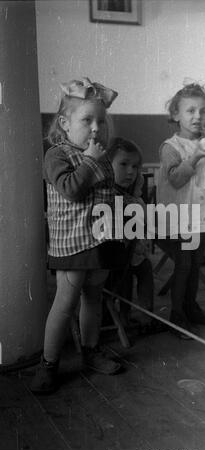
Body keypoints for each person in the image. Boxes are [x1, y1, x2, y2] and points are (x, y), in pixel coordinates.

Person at [30, 77, 123, 394]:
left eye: (101, 121)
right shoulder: (57, 155)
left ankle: (91, 351)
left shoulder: (100, 154)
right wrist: (90, 161)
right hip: (71, 244)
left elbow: (108, 194)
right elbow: (70, 189)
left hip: (101, 241)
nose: (96, 127)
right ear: (64, 123)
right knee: (64, 304)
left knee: (94, 299)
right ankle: (49, 364)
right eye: (87, 120)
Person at [157, 81, 205, 339]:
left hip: (201, 217)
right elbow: (176, 179)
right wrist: (196, 156)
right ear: (176, 114)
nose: (198, 116)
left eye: (203, 111)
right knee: (184, 265)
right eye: (190, 111)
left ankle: (191, 306)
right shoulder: (170, 147)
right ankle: (177, 313)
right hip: (180, 218)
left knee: (196, 264)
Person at [106, 137, 162, 333]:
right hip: (115, 256)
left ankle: (148, 315)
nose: (131, 171)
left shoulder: (134, 195)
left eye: (135, 166)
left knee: (145, 270)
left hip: (135, 251)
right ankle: (123, 316)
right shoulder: (107, 194)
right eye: (123, 164)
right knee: (126, 275)